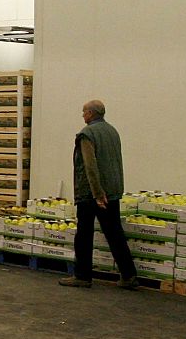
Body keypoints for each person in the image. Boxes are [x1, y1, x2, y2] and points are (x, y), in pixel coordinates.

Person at [60, 98, 140, 290]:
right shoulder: (112, 131)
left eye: (84, 112)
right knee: (115, 233)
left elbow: (90, 165)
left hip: (92, 194)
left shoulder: (87, 134)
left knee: (84, 234)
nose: (82, 115)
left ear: (91, 113)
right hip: (112, 191)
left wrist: (97, 193)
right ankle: (129, 276)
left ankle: (82, 275)